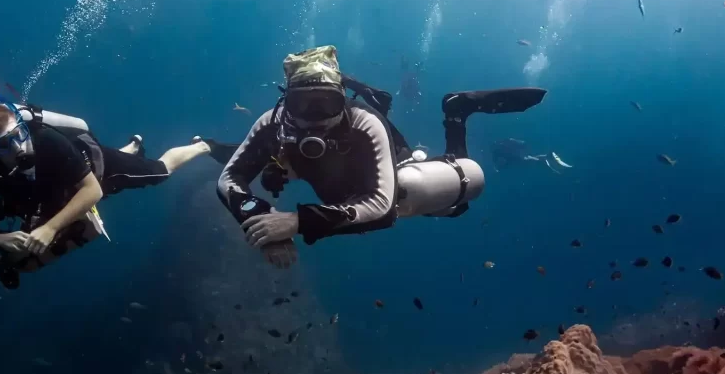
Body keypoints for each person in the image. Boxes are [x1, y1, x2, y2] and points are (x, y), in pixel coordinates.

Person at [208, 46, 546, 268]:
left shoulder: (364, 121)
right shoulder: (272, 123)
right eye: (302, 104)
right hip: (334, 188)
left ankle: (456, 112)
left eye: (326, 103)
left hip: (391, 175)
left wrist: (296, 222)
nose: (314, 116)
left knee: (438, 193)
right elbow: (229, 178)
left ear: (343, 100)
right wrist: (260, 219)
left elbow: (381, 207)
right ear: (285, 102)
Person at [0, 92, 211, 289]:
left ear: (24, 126)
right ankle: (132, 148)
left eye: (19, 134)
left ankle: (202, 146)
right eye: (4, 144)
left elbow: (93, 191)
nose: (18, 147)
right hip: (57, 189)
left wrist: (50, 228)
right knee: (24, 261)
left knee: (159, 171)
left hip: (95, 170)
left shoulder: (48, 140)